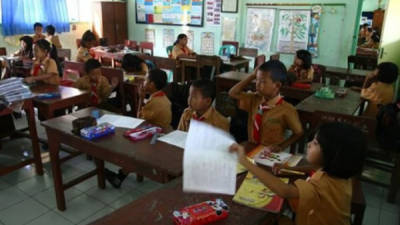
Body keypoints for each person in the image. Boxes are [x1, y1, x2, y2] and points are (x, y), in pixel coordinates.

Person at [230, 122, 366, 225]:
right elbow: (314, 167)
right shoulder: (338, 173)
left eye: (315, 143)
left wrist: (245, 161)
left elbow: (285, 191)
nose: (308, 144)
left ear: (332, 155)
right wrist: (288, 168)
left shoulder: (321, 185)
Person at [105, 69, 172, 188]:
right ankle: (121, 175)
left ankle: (120, 176)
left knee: (136, 148)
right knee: (137, 146)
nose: (143, 82)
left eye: (146, 79)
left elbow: (138, 120)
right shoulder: (161, 97)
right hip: (160, 132)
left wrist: (140, 98)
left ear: (152, 84)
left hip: (158, 137)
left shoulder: (155, 102)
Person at [229, 60, 303, 152]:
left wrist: (282, 146)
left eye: (263, 82)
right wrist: (252, 75)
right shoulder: (254, 99)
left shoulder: (287, 109)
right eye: (257, 80)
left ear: (277, 85)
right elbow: (233, 93)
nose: (257, 85)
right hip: (251, 147)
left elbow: (298, 132)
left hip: (270, 153)